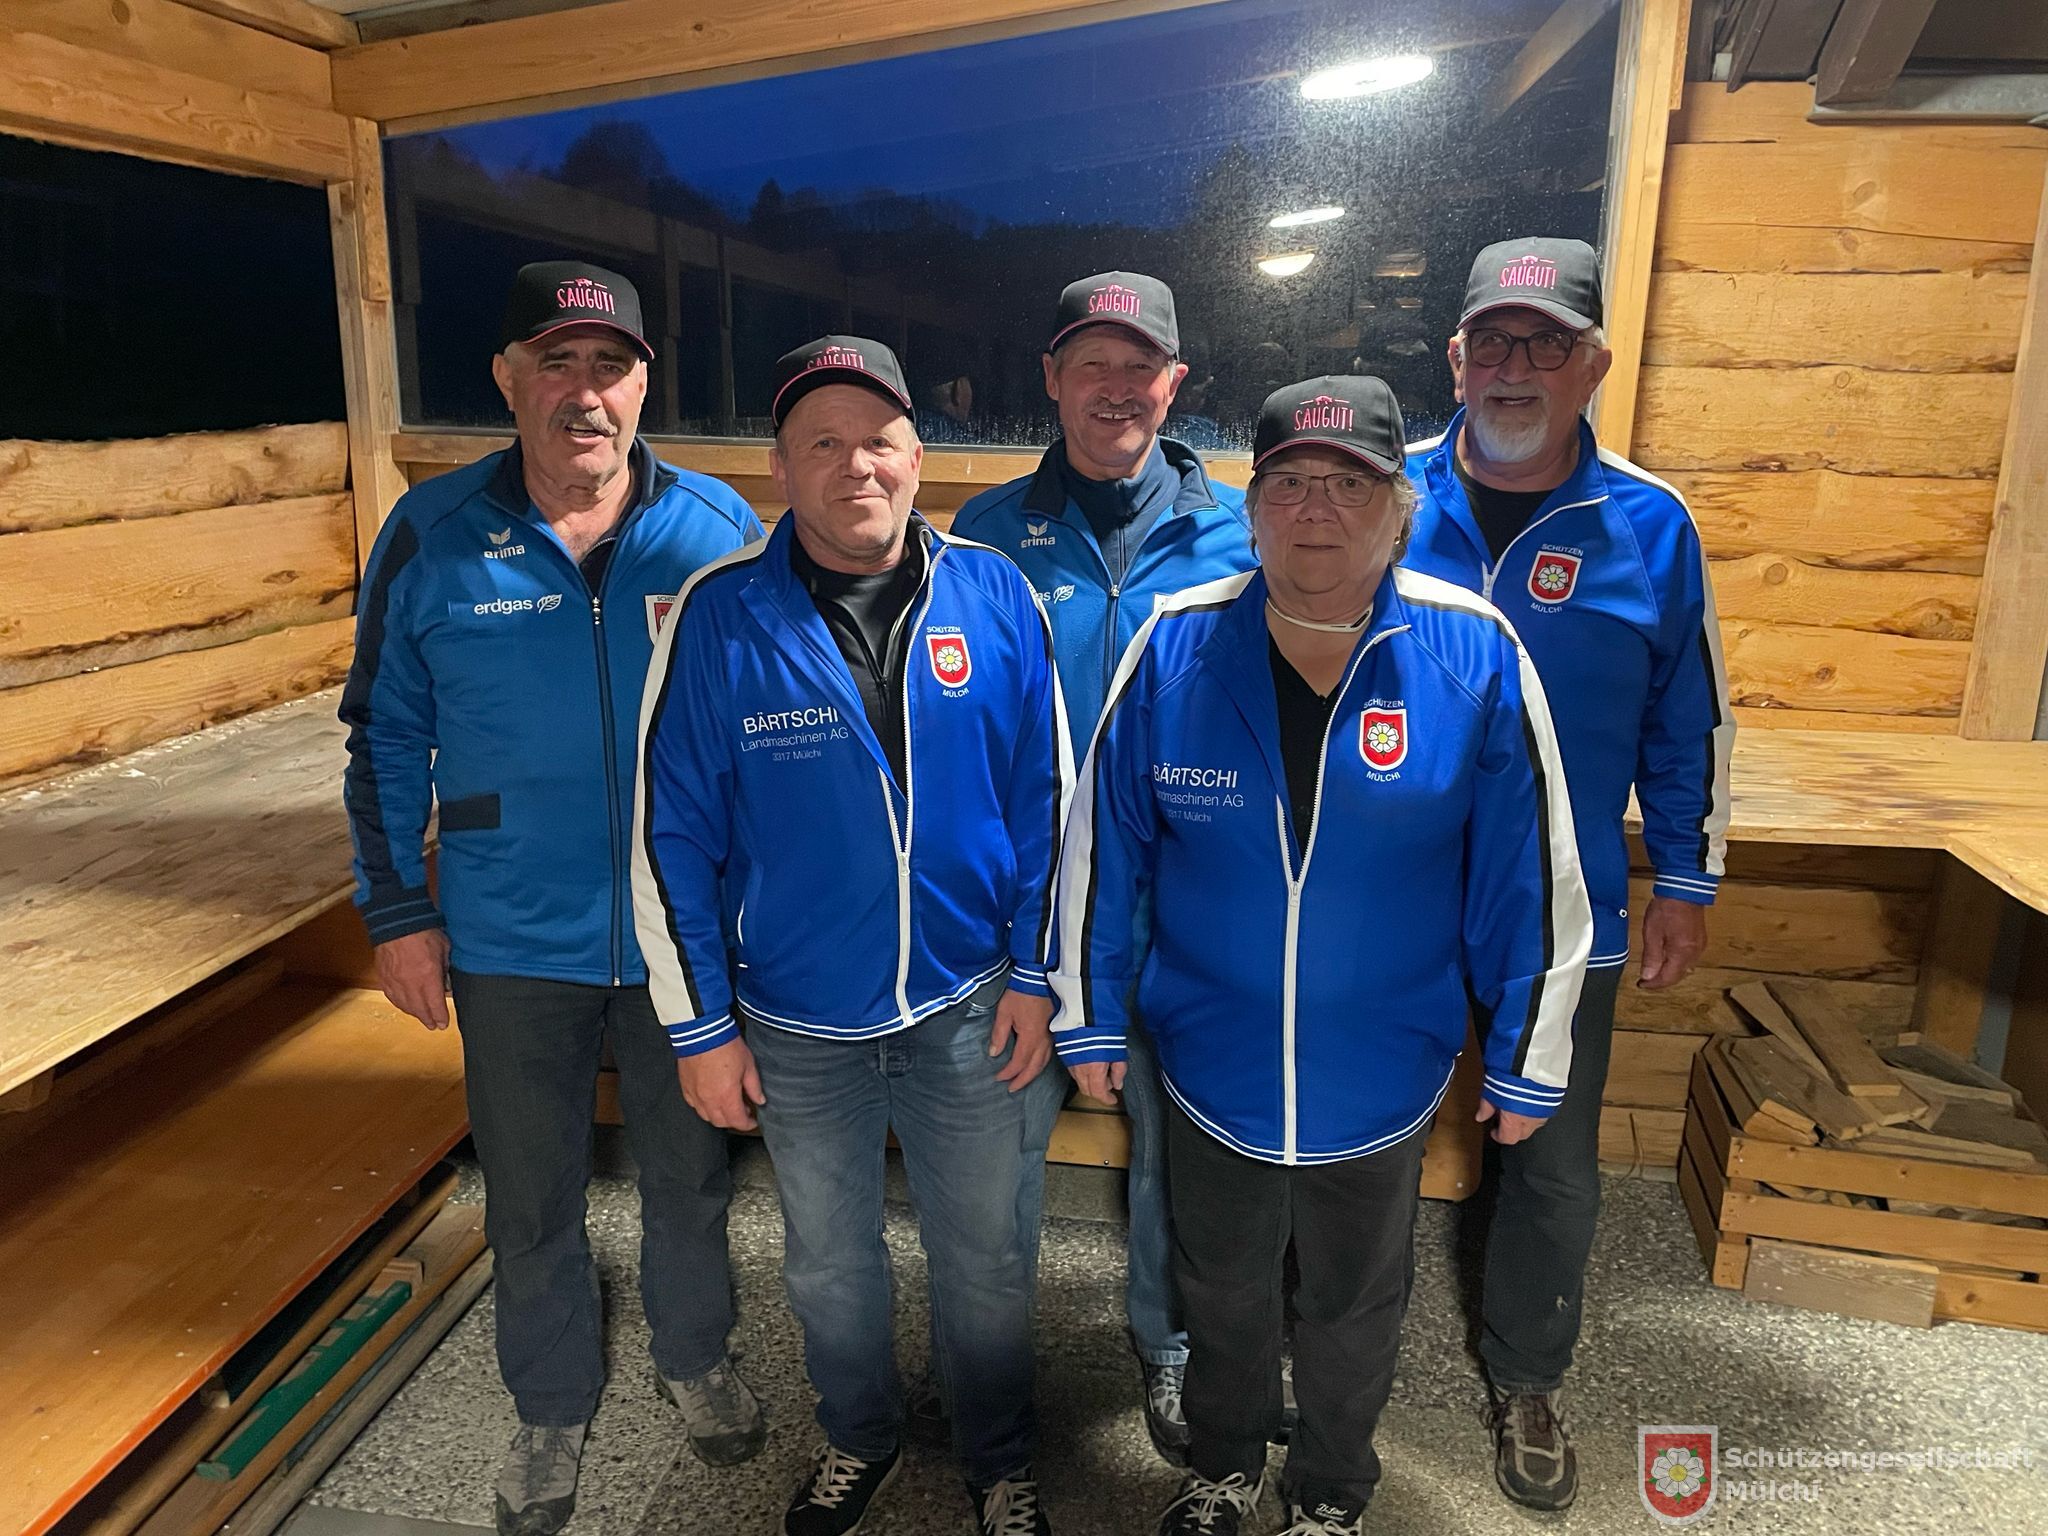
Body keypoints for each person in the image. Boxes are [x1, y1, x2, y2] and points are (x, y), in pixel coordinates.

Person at [1050, 374, 1592, 1536]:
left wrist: (1527, 1057)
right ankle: (1222, 1463)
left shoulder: (1472, 650)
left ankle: (1331, 1488)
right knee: (1219, 1285)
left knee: (1352, 1300)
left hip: (1382, 1071)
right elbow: (1099, 845)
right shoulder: (1176, 643)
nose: (1314, 510)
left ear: (1398, 511)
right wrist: (1085, 1013)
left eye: (1349, 486)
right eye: (1288, 483)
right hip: (1211, 1063)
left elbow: (1529, 877)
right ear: (1251, 510)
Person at [339, 261, 766, 1536]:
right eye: (556, 362)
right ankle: (548, 1400)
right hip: (507, 927)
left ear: (642, 384)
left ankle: (695, 1355)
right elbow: (381, 739)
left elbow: (769, 726)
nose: (585, 392)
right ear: (508, 377)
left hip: (680, 931)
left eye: (609, 366)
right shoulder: (430, 532)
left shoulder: (714, 528)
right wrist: (397, 915)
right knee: (529, 1189)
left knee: (691, 1170)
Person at [631, 336, 1072, 1536]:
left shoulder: (996, 594)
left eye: (877, 440)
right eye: (821, 443)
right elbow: (671, 833)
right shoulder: (718, 615)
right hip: (794, 1017)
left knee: (988, 1256)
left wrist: (1038, 973)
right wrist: (699, 1027)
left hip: (970, 1002)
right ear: (780, 469)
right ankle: (859, 1435)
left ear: (917, 457)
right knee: (827, 1261)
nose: (854, 466)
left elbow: (1047, 800)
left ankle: (997, 1458)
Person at [1402, 237, 1734, 1511]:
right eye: (1492, 340)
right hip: (1388, 897)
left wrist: (1686, 876)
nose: (1515, 367)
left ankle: (1526, 1376)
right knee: (1350, 1129)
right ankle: (1311, 1346)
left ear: (1593, 364)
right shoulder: (1382, 493)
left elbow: (1686, 717)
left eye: (1547, 343)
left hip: (1562, 905)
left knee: (1547, 1158)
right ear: (1454, 359)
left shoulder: (1646, 524)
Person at [952, 271, 1255, 1465]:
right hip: (1023, 914)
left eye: (1139, 366)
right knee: (995, 1159)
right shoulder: (983, 536)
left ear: (1173, 383)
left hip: (1180, 909)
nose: (1115, 388)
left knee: (1175, 1160)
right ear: (1051, 378)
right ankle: (989, 1364)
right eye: (1091, 364)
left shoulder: (1240, 533)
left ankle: (1167, 1346)